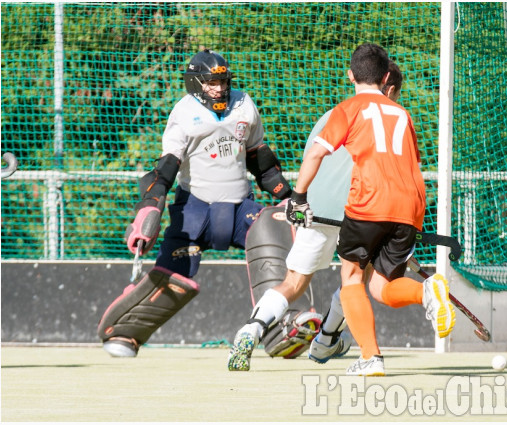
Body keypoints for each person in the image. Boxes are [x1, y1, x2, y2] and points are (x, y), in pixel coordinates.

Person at [97, 49, 292, 357]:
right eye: (211, 82)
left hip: (242, 208)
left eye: (222, 81)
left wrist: (290, 199)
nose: (219, 88)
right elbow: (167, 166)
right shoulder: (184, 112)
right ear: (195, 83)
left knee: (278, 247)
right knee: (171, 274)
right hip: (195, 209)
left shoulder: (244, 104)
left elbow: (262, 163)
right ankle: (126, 331)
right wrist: (149, 207)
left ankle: (284, 331)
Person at [285, 43, 456, 376]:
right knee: (380, 287)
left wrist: (299, 196)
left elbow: (316, 155)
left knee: (351, 278)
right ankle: (426, 291)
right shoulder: (402, 114)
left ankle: (370, 357)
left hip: (368, 201)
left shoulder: (348, 108)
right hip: (411, 204)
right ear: (387, 75)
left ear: (350, 75)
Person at [227, 61, 404, 372]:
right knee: (355, 280)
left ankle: (251, 330)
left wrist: (299, 199)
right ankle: (326, 340)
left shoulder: (333, 113)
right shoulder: (390, 119)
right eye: (397, 94)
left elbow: (314, 154)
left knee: (293, 281)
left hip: (316, 206)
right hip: (359, 209)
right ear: (388, 86)